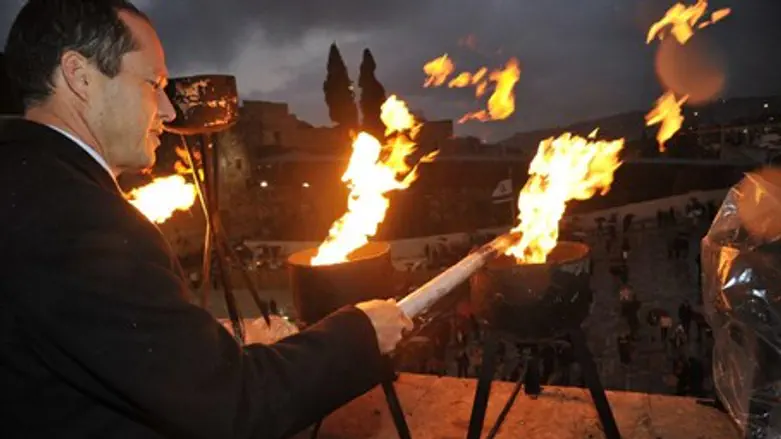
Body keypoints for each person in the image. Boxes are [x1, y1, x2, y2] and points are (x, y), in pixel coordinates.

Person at [0, 1, 413, 438]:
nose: (169, 110)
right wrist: (362, 334)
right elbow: (233, 405)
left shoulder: (23, 182)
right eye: (153, 83)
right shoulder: (79, 218)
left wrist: (212, 348)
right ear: (79, 76)